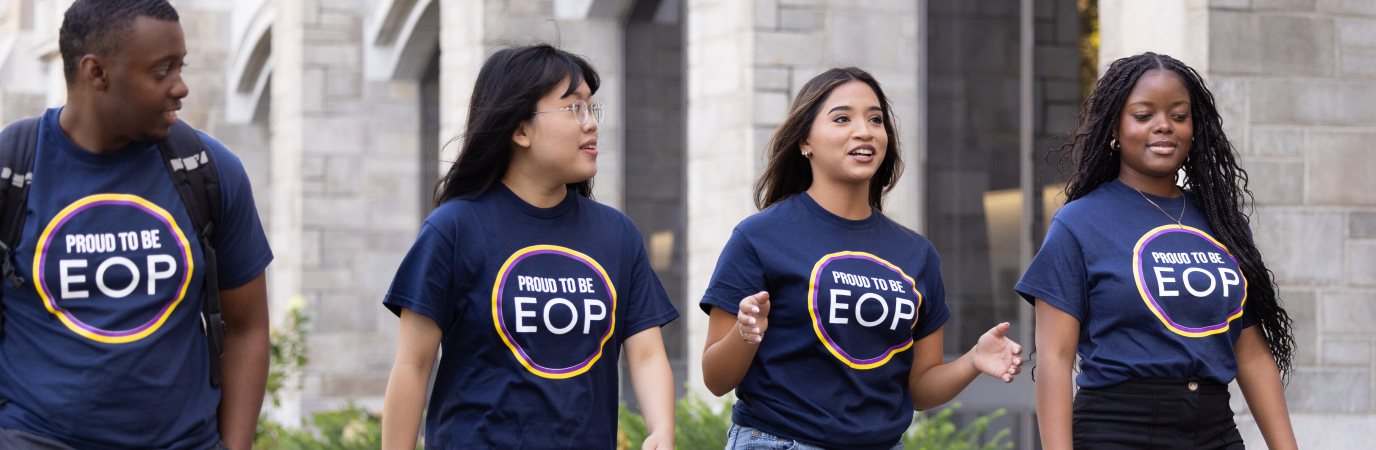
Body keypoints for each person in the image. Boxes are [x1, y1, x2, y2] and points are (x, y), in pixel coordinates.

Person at [699, 67, 1024, 450]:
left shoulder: (917, 254)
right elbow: (715, 380)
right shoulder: (759, 237)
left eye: (875, 119)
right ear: (805, 141)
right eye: (842, 118)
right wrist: (746, 333)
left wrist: (973, 360)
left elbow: (919, 389)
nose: (864, 131)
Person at [0, 1, 273, 449]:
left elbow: (247, 328)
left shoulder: (207, 170)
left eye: (181, 67)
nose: (181, 87)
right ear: (97, 73)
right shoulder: (12, 170)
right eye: (162, 71)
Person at [379, 44, 678, 450]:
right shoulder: (454, 229)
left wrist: (661, 430)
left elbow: (646, 354)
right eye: (574, 108)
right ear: (520, 130)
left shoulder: (617, 234)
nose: (591, 124)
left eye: (593, 109)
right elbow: (413, 364)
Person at [1017, 52, 1299, 450]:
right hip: (1118, 432)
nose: (1164, 125)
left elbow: (1250, 354)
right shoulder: (1078, 223)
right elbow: (1054, 359)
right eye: (1143, 115)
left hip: (1214, 431)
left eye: (1179, 115)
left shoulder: (1222, 223)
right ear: (1115, 127)